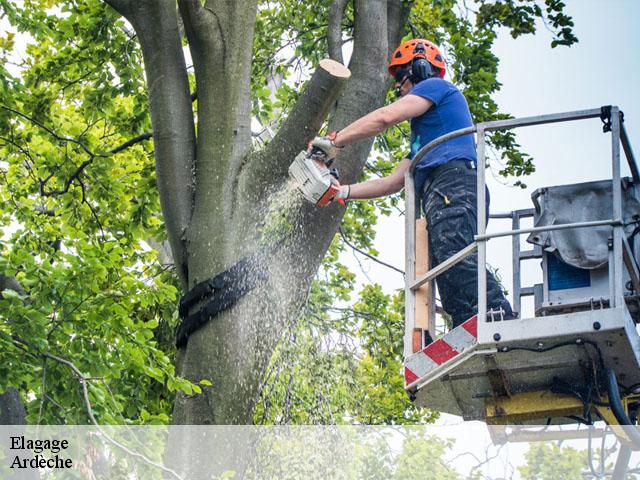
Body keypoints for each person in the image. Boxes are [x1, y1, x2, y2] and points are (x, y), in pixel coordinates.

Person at [312, 39, 515, 329]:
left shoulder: (436, 87)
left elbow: (385, 117)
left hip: (454, 183)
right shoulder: (426, 141)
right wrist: (341, 191)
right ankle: (467, 326)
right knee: (446, 269)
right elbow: (395, 182)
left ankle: (498, 318)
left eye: (400, 77)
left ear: (420, 68)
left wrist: (333, 141)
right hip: (443, 189)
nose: (397, 86)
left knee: (455, 256)